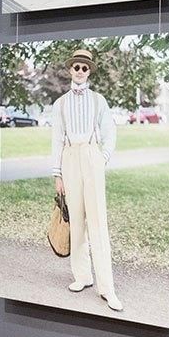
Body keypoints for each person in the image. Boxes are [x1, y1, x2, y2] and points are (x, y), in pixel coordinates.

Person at [50, 48, 123, 312]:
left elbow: (109, 132)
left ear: (89, 71)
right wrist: (57, 174)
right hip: (70, 157)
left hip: (91, 156)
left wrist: (101, 158)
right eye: (76, 67)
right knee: (76, 220)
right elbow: (56, 140)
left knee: (97, 221)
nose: (80, 71)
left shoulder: (98, 100)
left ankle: (107, 288)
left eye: (84, 68)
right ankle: (82, 276)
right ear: (70, 70)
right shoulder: (60, 104)